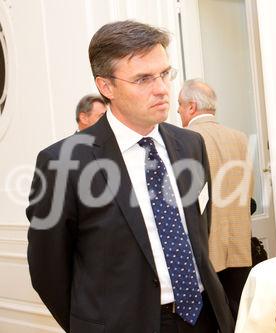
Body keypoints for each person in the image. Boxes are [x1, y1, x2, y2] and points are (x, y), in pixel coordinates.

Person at [26, 20, 234, 333]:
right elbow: (47, 269)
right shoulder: (63, 162)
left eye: (164, 74)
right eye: (143, 79)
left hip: (203, 318)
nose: (162, 88)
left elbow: (198, 232)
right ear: (106, 86)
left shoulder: (190, 144)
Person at [178, 79, 253, 319]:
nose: (178, 112)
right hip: (240, 245)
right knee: (240, 317)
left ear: (191, 107)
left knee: (213, 320)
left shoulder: (184, 140)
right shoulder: (240, 138)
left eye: (179, 106)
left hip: (206, 252)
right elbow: (246, 191)